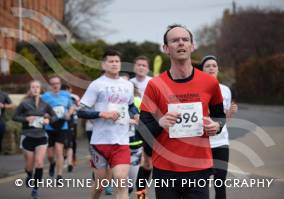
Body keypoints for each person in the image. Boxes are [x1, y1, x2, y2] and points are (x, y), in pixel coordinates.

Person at [138, 24, 226, 199]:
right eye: (175, 40)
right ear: (165, 48)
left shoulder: (210, 83)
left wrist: (216, 126)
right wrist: (160, 123)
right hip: (165, 169)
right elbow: (142, 128)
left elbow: (219, 117)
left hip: (199, 168)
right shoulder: (155, 85)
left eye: (185, 40)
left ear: (192, 46)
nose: (181, 43)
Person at [77, 49, 139, 199]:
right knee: (100, 186)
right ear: (103, 64)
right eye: (111, 61)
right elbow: (81, 111)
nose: (114, 64)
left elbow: (130, 105)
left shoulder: (127, 85)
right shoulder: (96, 85)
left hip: (122, 141)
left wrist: (135, 113)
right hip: (100, 141)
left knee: (121, 181)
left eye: (117, 61)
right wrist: (101, 114)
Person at [200, 55, 238, 199]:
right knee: (200, 185)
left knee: (220, 184)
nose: (211, 68)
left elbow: (223, 119)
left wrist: (230, 113)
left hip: (221, 142)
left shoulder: (225, 90)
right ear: (202, 70)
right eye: (207, 66)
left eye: (214, 66)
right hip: (202, 143)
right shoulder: (197, 89)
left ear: (218, 69)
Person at [13, 80, 57, 199]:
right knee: (29, 165)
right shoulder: (24, 103)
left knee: (39, 162)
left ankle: (35, 189)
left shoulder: (45, 104)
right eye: (33, 87)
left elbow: (54, 116)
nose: (35, 89)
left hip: (41, 136)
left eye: (37, 87)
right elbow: (14, 117)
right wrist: (26, 119)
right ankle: (29, 175)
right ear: (30, 89)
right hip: (27, 136)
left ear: (40, 89)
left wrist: (49, 120)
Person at [41, 76, 76, 180]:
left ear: (60, 85)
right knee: (50, 154)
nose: (55, 85)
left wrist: (69, 113)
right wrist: (45, 115)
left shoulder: (66, 95)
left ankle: (59, 175)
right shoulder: (45, 96)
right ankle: (52, 163)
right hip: (49, 127)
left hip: (62, 126)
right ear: (50, 86)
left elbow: (72, 106)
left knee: (59, 150)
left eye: (57, 83)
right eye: (53, 84)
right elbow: (41, 109)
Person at [129, 56, 153, 199]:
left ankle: (141, 191)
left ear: (147, 68)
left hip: (149, 126)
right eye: (138, 65)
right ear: (134, 67)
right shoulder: (127, 83)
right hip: (132, 129)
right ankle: (131, 186)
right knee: (133, 161)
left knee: (148, 163)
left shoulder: (153, 82)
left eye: (144, 65)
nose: (141, 67)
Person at [61, 84, 80, 172]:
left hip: (73, 122)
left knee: (72, 141)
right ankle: (65, 158)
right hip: (63, 122)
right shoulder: (60, 97)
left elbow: (79, 107)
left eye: (68, 90)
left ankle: (72, 159)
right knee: (63, 142)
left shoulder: (74, 97)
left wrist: (73, 109)